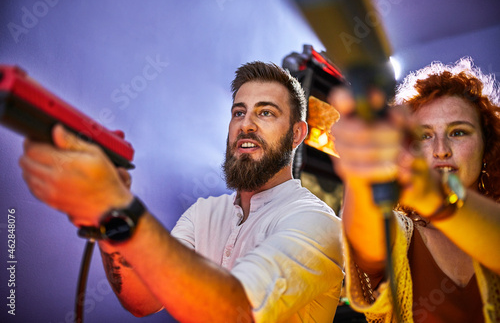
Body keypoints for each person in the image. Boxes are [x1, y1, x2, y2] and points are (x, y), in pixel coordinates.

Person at [19, 61, 344, 322]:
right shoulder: (205, 212)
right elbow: (143, 301)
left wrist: (120, 206)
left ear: (297, 134)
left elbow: (236, 312)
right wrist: (106, 218)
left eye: (266, 112)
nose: (246, 124)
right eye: (238, 112)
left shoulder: (316, 222)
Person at [330, 57, 500, 322]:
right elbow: (367, 245)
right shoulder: (402, 235)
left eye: (458, 132)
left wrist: (436, 197)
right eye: (424, 135)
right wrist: (363, 172)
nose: (441, 149)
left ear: (487, 147)